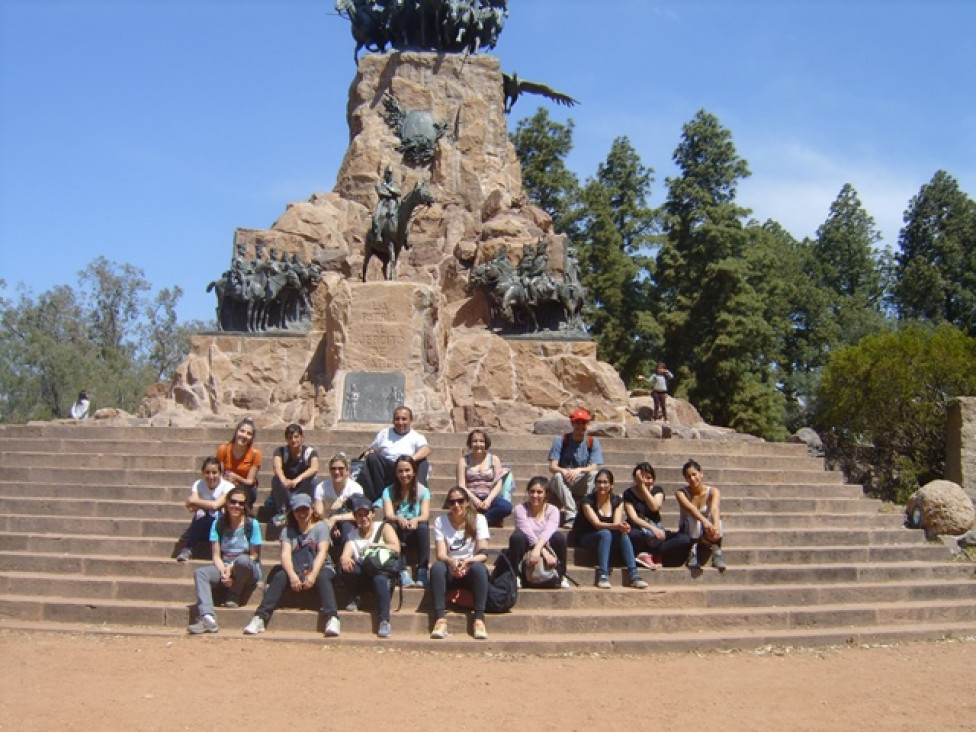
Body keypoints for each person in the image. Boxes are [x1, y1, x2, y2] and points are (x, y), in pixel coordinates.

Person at [243, 493, 341, 637]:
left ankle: (332, 618)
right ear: (293, 512)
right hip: (297, 569)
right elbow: (285, 555)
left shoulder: (321, 527)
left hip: (321, 568)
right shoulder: (287, 531)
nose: (302, 513)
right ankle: (260, 617)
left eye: (305, 509)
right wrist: (292, 576)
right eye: (298, 510)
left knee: (322, 577)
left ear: (312, 509)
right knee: (280, 576)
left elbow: (322, 552)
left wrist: (312, 575)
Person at [187, 486, 263, 634]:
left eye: (241, 503)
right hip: (225, 565)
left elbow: (254, 555)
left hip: (246, 569)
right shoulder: (218, 524)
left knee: (243, 561)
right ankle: (207, 617)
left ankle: (234, 594)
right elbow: (216, 555)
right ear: (227, 503)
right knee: (200, 573)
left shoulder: (252, 524)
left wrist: (231, 568)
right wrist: (223, 572)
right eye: (233, 502)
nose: (237, 506)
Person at [569, 469, 648, 590]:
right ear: (595, 484)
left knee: (622, 534)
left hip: (607, 536)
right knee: (605, 533)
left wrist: (622, 527)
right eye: (599, 482)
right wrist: (618, 526)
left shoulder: (617, 501)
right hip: (587, 536)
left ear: (611, 485)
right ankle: (603, 575)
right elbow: (597, 524)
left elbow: (616, 523)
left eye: (605, 482)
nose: (602, 485)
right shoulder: (587, 501)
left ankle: (634, 575)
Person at [429, 486, 490, 640]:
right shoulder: (440, 521)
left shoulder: (479, 519)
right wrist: (451, 561)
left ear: (467, 502)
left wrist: (468, 561)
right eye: (452, 502)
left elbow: (483, 553)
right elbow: (441, 554)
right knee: (437, 567)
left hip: (470, 567)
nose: (456, 505)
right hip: (451, 569)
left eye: (460, 501)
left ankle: (479, 619)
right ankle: (440, 619)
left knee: (479, 568)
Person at [338, 494, 401, 638]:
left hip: (381, 571)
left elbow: (396, 548)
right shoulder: (352, 535)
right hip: (364, 573)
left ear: (372, 514)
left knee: (380, 579)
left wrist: (377, 545)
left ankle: (384, 620)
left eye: (366, 514)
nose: (363, 518)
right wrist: (345, 559)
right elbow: (345, 554)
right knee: (347, 567)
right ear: (355, 517)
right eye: (359, 515)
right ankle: (356, 595)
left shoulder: (383, 527)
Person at [623, 462, 695, 569]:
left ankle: (652, 553)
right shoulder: (628, 493)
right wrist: (651, 528)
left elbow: (654, 507)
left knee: (684, 539)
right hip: (640, 531)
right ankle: (649, 554)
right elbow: (633, 518)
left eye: (649, 478)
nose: (646, 481)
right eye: (643, 477)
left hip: (656, 533)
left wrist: (643, 487)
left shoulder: (657, 490)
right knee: (632, 535)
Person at [359, 405, 431, 503]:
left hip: (406, 468)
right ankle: (381, 497)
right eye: (397, 419)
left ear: (411, 421)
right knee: (372, 458)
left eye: (404, 419)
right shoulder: (384, 434)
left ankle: (418, 497)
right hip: (388, 468)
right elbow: (372, 449)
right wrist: (369, 452)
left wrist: (409, 461)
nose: (400, 422)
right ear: (393, 421)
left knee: (423, 462)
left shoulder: (417, 437)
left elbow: (426, 449)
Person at [508, 475, 569, 587]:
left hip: (547, 544)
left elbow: (549, 532)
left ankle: (561, 575)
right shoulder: (520, 509)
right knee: (517, 537)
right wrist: (542, 552)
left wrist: (540, 549)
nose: (535, 495)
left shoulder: (553, 510)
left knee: (559, 537)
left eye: (539, 492)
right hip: (527, 546)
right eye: (532, 491)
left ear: (546, 494)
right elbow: (528, 533)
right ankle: (516, 575)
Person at [547, 407, 604, 527]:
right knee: (557, 476)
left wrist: (579, 470)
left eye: (583, 423)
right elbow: (552, 466)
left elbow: (594, 466)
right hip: (563, 480)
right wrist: (564, 471)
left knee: (594, 475)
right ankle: (571, 515)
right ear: (572, 424)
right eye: (577, 423)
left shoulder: (592, 442)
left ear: (587, 424)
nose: (580, 426)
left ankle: (587, 506)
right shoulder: (561, 440)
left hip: (580, 480)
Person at [381, 455, 431, 588]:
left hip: (414, 531)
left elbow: (425, 515)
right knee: (391, 525)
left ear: (414, 471)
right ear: (396, 473)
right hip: (399, 529)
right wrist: (399, 518)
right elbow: (388, 514)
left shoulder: (423, 491)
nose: (404, 474)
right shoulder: (388, 491)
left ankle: (422, 570)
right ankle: (401, 570)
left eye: (407, 470)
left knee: (423, 527)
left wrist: (416, 519)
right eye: (400, 471)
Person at [176, 456, 234, 562]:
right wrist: (201, 505)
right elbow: (191, 508)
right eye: (207, 472)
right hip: (202, 524)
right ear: (203, 473)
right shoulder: (198, 484)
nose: (211, 476)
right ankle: (188, 548)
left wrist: (196, 502)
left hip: (220, 526)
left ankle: (221, 551)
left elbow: (215, 505)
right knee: (201, 513)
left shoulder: (228, 487)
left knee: (215, 512)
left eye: (214, 472)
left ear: (220, 473)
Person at [676, 459, 727, 571]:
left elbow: (714, 508)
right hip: (689, 530)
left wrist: (716, 527)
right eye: (689, 476)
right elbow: (691, 509)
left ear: (701, 473)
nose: (692, 479)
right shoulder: (681, 493)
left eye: (694, 474)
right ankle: (692, 552)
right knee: (694, 520)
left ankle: (716, 551)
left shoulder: (713, 491)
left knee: (718, 521)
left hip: (707, 532)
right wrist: (705, 522)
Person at [457, 429, 512, 528]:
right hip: (471, 497)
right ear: (470, 443)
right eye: (475, 441)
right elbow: (461, 485)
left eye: (481, 441)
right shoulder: (463, 461)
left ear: (486, 443)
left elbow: (498, 483)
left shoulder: (494, 459)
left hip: (489, 497)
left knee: (506, 507)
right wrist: (475, 500)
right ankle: (488, 520)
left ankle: (480, 521)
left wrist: (488, 500)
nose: (478, 444)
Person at [269, 423, 319, 527]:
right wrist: (283, 480)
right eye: (290, 437)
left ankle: (308, 506)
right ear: (286, 440)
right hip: (287, 488)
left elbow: (314, 467)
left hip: (301, 487)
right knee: (276, 479)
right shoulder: (280, 451)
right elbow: (277, 467)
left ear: (302, 438)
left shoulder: (310, 452)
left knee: (313, 479)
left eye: (296, 437)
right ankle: (283, 511)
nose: (293, 440)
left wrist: (298, 479)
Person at [313, 452, 365, 547]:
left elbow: (360, 514)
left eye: (340, 468)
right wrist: (329, 523)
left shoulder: (355, 488)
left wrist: (335, 519)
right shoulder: (321, 487)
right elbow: (318, 513)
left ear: (347, 470)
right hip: (327, 523)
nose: (336, 472)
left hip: (348, 523)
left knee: (346, 526)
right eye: (333, 469)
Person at [215, 417, 262, 507]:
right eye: (242, 431)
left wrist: (236, 477)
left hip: (244, 487)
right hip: (225, 485)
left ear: (252, 437)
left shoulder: (256, 454)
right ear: (236, 432)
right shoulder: (223, 449)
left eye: (249, 434)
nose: (244, 435)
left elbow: (250, 481)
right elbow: (219, 474)